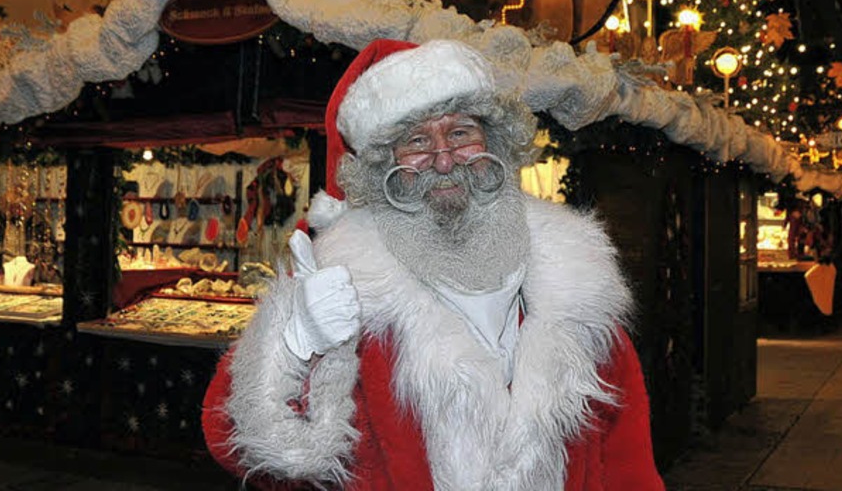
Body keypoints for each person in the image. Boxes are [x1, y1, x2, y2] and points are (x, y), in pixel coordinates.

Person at [201, 39, 662, 490]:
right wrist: (295, 347)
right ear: (382, 167)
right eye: (416, 140)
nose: (444, 159)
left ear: (495, 144)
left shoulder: (573, 282)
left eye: (461, 132)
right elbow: (233, 445)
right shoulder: (343, 287)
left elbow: (626, 454)